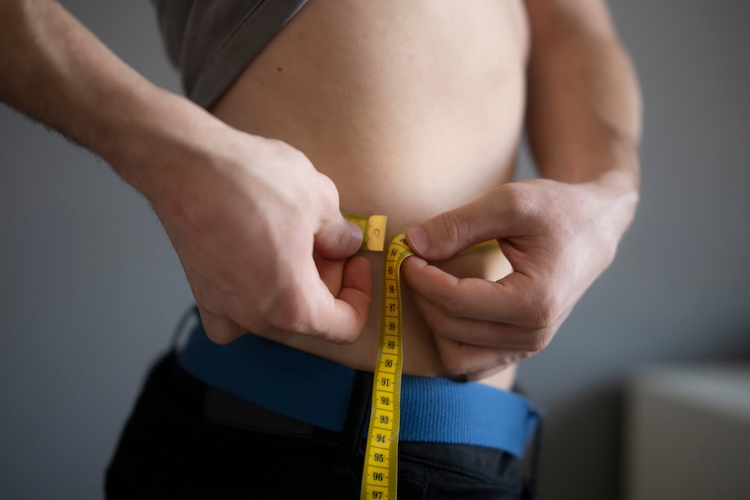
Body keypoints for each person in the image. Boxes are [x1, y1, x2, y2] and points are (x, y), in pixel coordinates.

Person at [0, 0, 641, 498]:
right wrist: (169, 153)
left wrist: (610, 197)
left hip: (482, 450)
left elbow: (571, 24)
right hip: (265, 442)